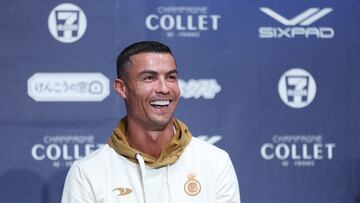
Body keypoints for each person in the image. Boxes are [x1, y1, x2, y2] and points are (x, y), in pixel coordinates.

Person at [61, 41, 240, 203]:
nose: (164, 88)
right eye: (149, 77)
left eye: (171, 77)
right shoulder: (87, 173)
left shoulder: (215, 162)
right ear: (121, 88)